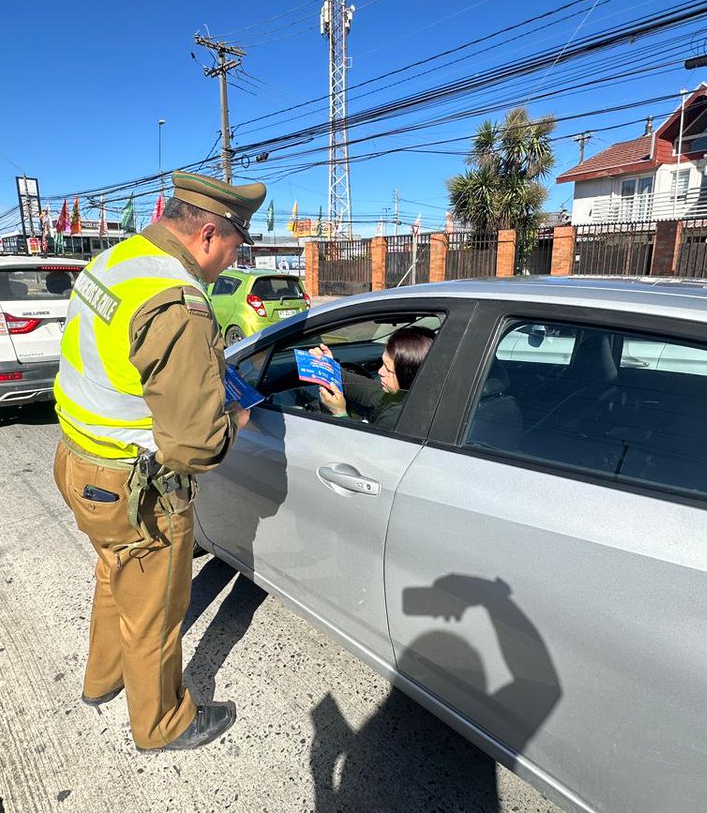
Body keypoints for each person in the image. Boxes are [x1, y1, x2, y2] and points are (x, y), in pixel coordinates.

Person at [52, 171, 265, 752]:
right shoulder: (178, 300)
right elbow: (194, 446)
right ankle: (162, 723)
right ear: (208, 236)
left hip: (79, 459)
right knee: (155, 610)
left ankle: (103, 680)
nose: (229, 261)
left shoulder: (116, 261)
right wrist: (236, 421)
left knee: (112, 573)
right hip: (133, 485)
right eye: (234, 248)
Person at [314, 325, 435, 430]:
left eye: (388, 369)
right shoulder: (405, 395)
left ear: (409, 376)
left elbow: (364, 452)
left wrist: (340, 413)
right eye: (382, 363)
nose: (380, 372)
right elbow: (365, 389)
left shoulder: (396, 418)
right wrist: (330, 367)